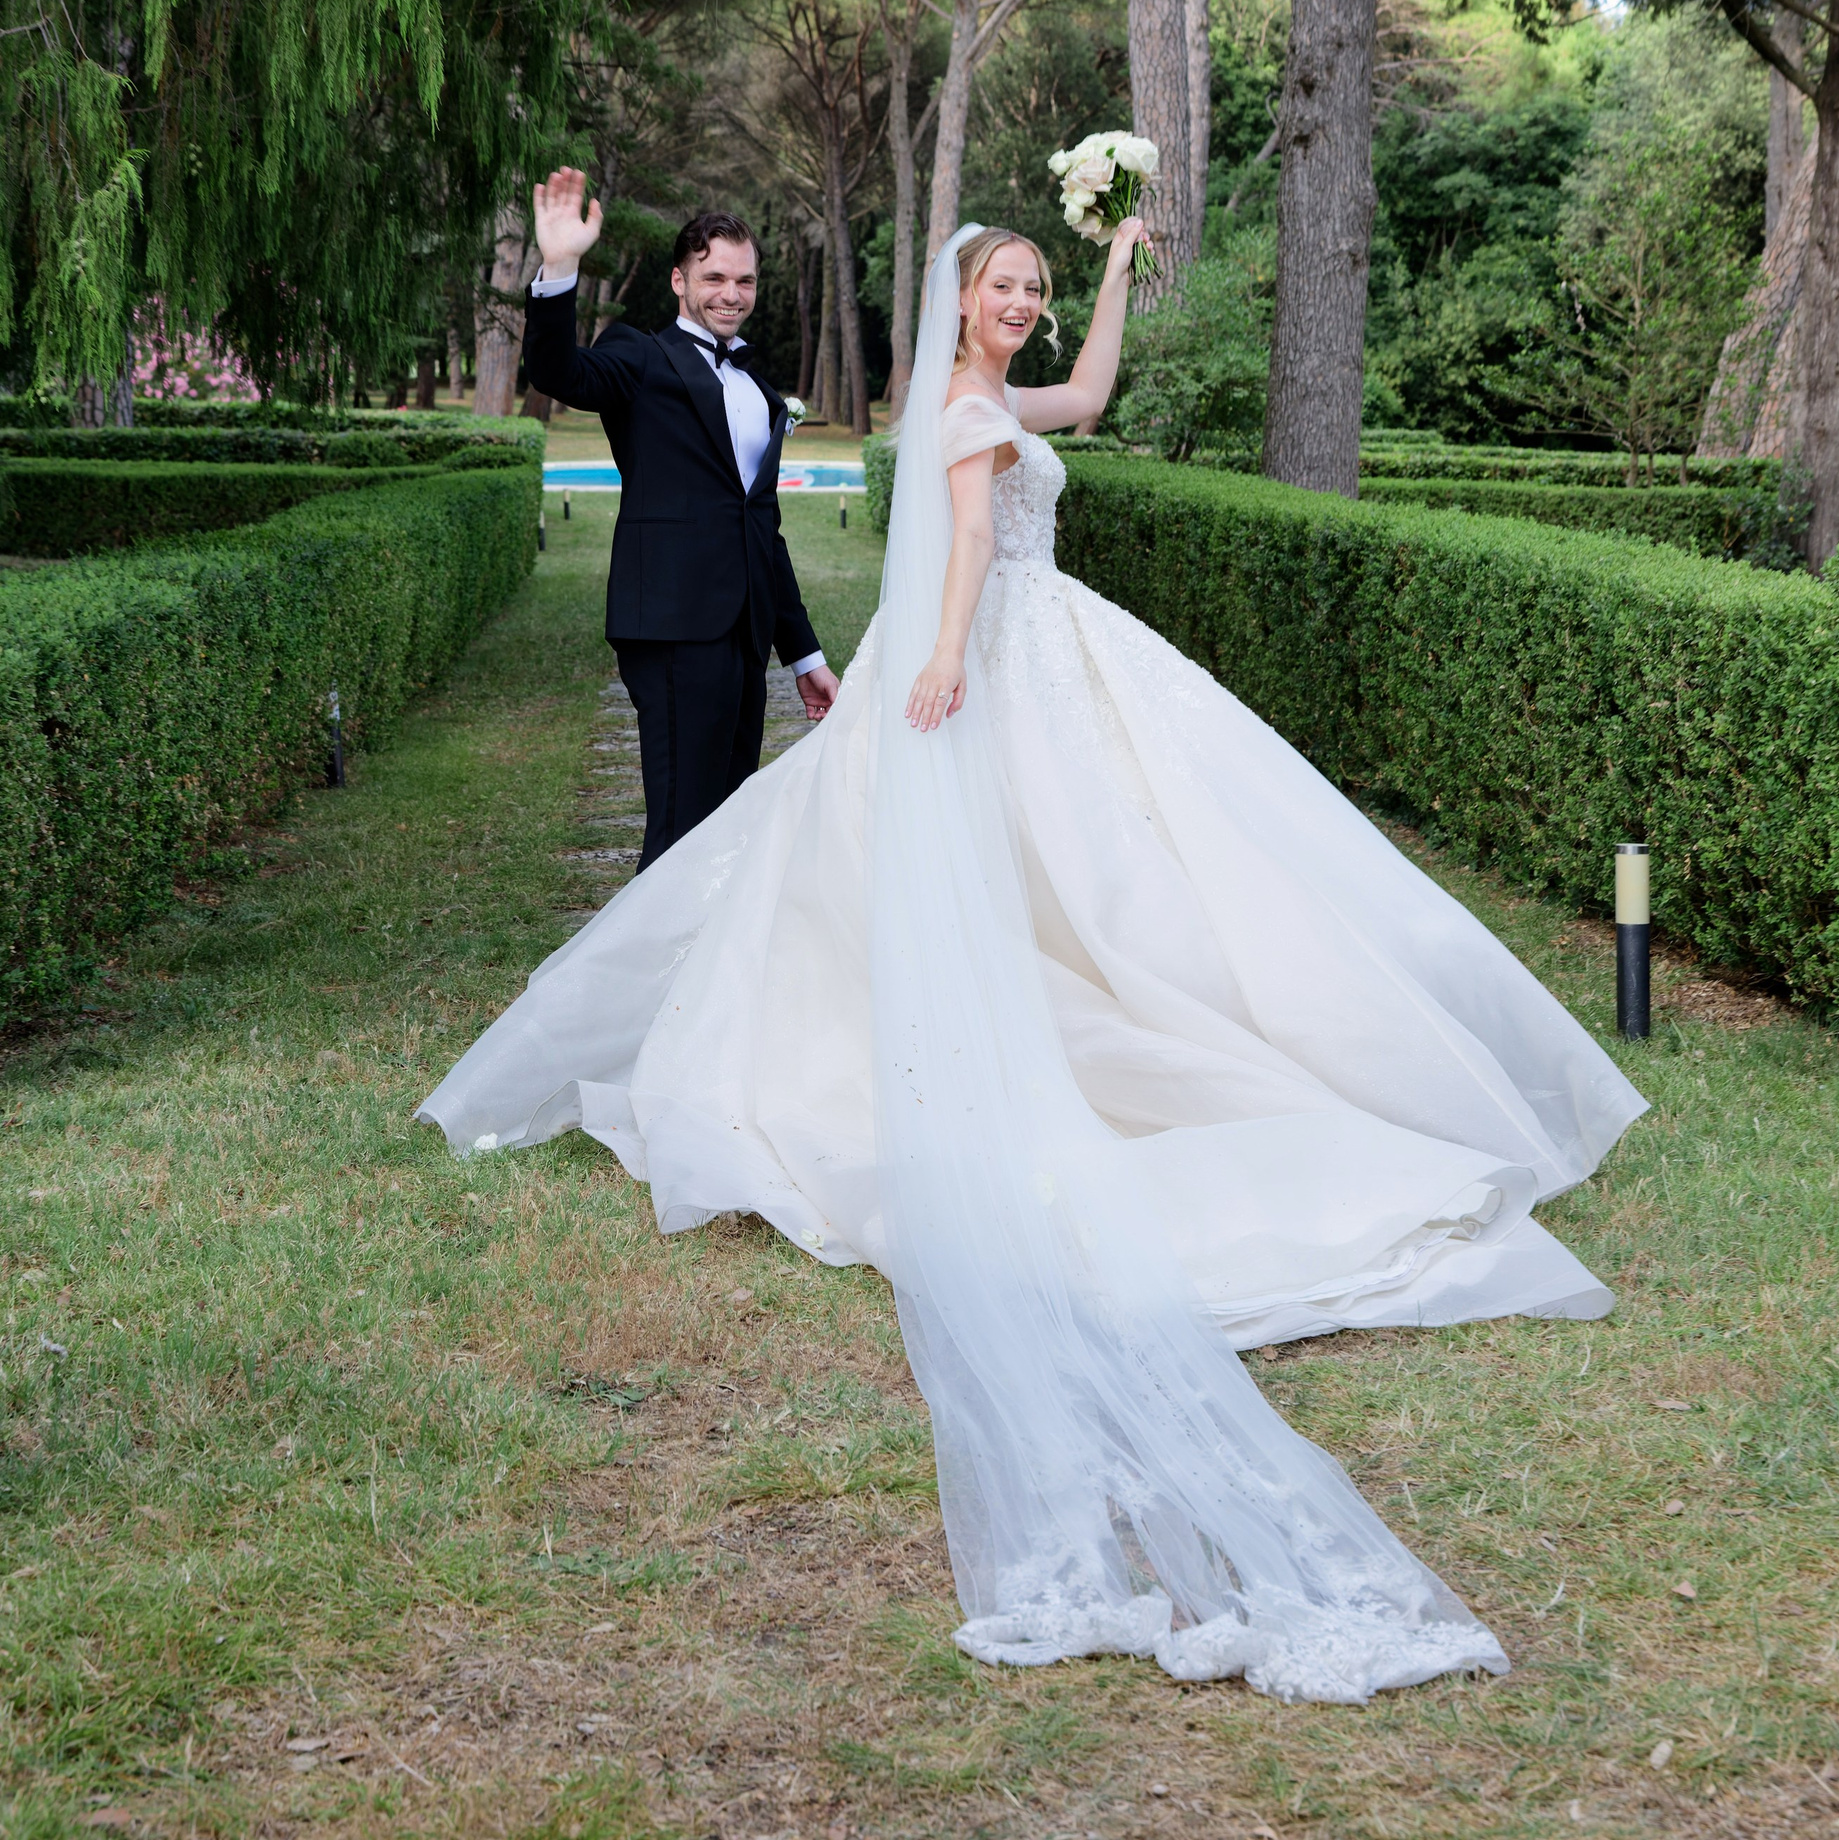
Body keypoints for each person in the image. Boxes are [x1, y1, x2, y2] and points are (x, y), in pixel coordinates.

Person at [423, 216, 1646, 1705]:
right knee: (935, 867)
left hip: (1037, 643)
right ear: (962, 298)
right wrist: (944, 653)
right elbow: (971, 542)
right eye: (1005, 286)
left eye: (1036, 290)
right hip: (980, 644)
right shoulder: (949, 404)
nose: (1023, 304)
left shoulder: (1001, 393)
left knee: (1108, 874)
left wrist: (1116, 265)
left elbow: (1092, 398)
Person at [521, 173, 838, 870]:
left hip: (744, 632)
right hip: (671, 626)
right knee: (681, 827)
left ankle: (706, 943)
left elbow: (762, 530)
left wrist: (805, 657)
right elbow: (558, 372)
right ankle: (650, 944)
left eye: (745, 280)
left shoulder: (757, 387)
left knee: (727, 822)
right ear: (679, 281)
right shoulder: (640, 356)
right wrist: (560, 266)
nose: (731, 293)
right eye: (714, 277)